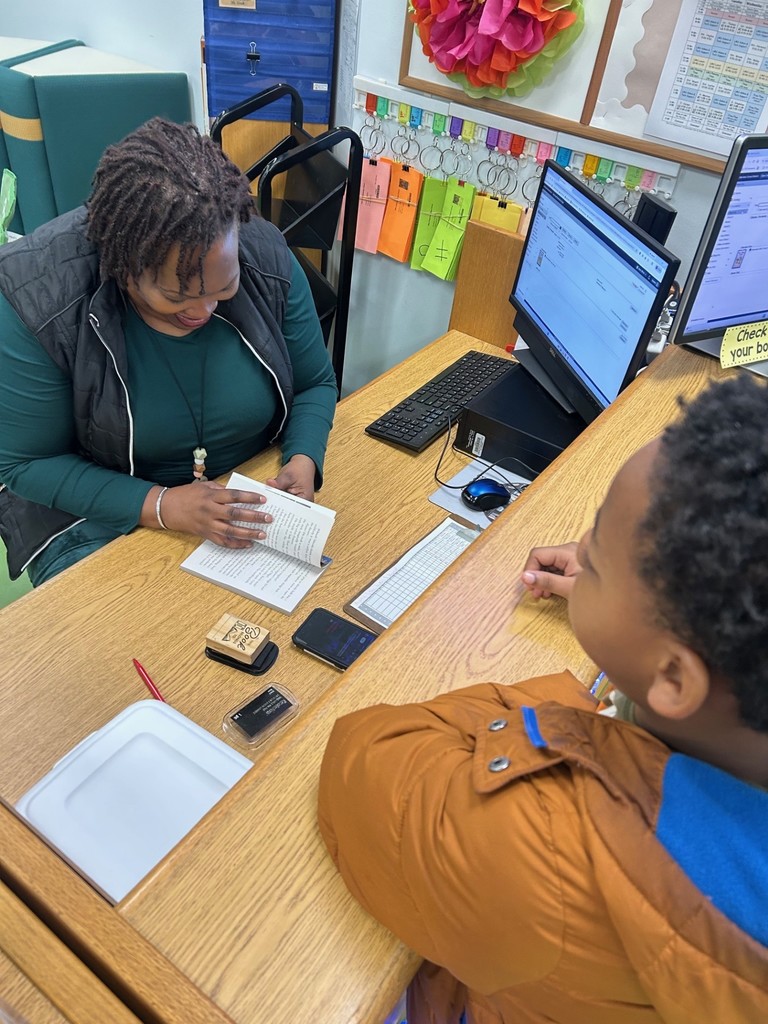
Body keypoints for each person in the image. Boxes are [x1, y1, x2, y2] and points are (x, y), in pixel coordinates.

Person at [318, 373, 768, 1023]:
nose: (580, 549)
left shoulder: (549, 849)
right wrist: (631, 629)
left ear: (676, 680)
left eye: (601, 553)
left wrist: (588, 704)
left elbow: (363, 755)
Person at [0, 117, 337, 585]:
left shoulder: (264, 253)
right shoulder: (36, 297)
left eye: (224, 288)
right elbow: (25, 464)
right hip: (90, 511)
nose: (202, 310)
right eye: (176, 296)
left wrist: (303, 459)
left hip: (242, 489)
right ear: (121, 266)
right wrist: (162, 504)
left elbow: (315, 382)